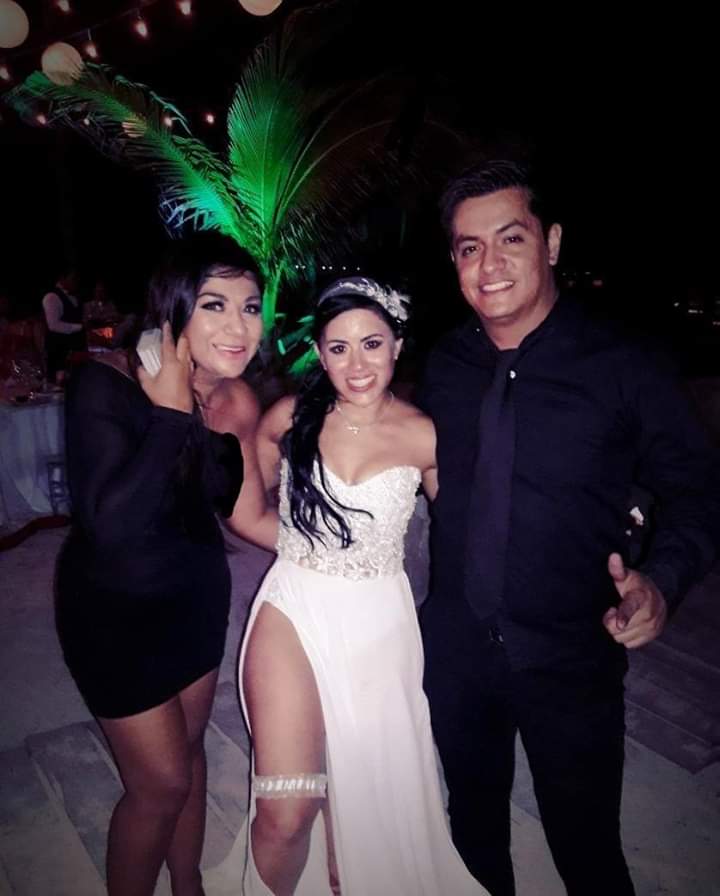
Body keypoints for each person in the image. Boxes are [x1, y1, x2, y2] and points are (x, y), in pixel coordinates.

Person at [417, 159, 720, 896]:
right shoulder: (445, 363)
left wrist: (662, 582)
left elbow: (699, 489)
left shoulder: (624, 364)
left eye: (511, 239)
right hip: (456, 650)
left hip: (572, 655)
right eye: (469, 248)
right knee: (471, 832)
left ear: (551, 243)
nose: (489, 265)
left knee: (586, 850)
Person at [207, 277, 487, 896]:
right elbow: (246, 512)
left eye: (371, 344)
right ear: (320, 354)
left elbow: (470, 536)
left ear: (397, 345)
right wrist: (307, 547)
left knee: (362, 809)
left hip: (380, 626)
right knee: (286, 812)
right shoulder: (290, 417)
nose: (356, 364)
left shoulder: (426, 435)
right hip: (293, 608)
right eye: (338, 348)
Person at [55, 232, 265, 896]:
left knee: (191, 756)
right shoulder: (104, 383)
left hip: (195, 602)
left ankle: (188, 885)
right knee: (160, 785)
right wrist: (172, 414)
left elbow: (246, 513)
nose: (238, 326)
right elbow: (111, 526)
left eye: (251, 306)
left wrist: (340, 545)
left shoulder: (234, 401)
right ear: (175, 308)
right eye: (215, 304)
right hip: (112, 613)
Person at [42, 269, 86, 383]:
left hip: (75, 352)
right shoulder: (51, 297)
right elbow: (54, 325)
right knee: (57, 385)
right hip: (58, 352)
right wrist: (80, 327)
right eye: (73, 279)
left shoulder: (75, 297)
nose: (76, 282)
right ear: (62, 278)